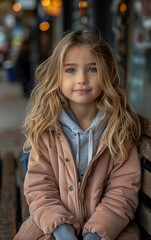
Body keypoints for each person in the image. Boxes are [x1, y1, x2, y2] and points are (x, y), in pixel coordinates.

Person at [13, 29, 141, 240]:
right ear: (57, 76)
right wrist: (62, 230)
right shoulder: (47, 129)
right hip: (53, 226)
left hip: (109, 230)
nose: (82, 79)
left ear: (106, 73)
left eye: (92, 69)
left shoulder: (119, 130)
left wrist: (96, 234)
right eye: (71, 70)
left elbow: (123, 191)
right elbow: (39, 188)